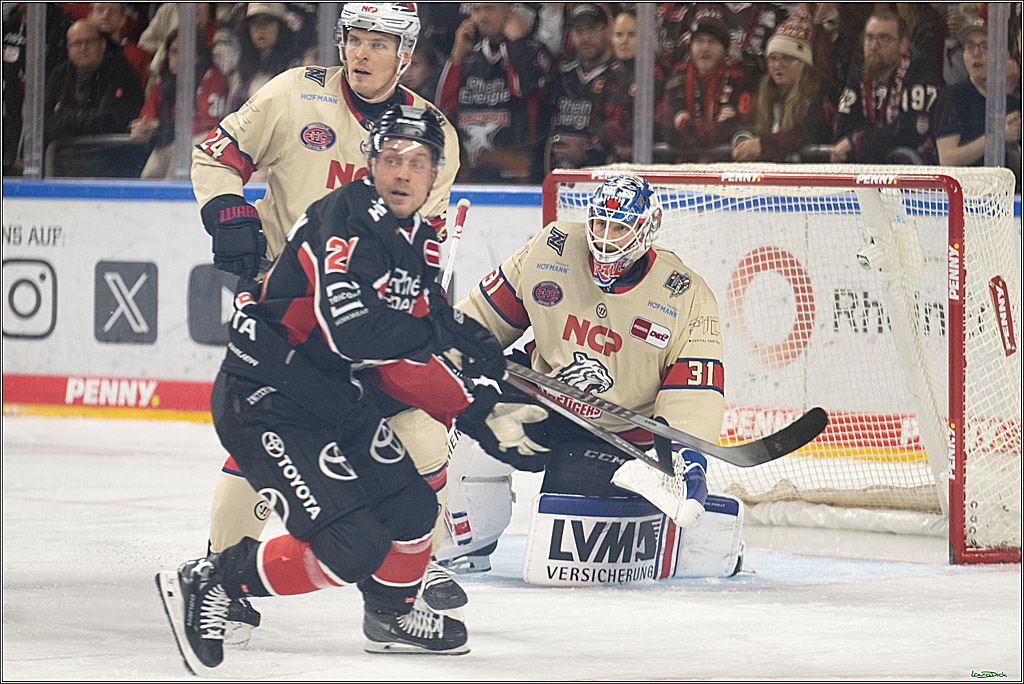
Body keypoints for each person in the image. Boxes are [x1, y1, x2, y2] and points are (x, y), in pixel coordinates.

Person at [157, 104, 544, 670]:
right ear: (371, 163)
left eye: (418, 162)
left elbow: (421, 331)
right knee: (353, 546)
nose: (404, 173)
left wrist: (480, 388)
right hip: (268, 398)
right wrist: (464, 384)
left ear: (436, 171)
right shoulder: (344, 219)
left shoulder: (409, 232)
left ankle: (389, 614)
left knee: (413, 511)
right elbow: (356, 333)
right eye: (391, 160)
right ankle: (216, 578)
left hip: (333, 398)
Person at [190, 2, 465, 645]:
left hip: (367, 322)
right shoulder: (293, 95)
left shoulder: (432, 132)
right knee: (263, 449)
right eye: (356, 40)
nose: (363, 54)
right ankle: (221, 581)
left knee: (422, 437)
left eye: (380, 43)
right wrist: (231, 211)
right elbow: (216, 155)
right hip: (290, 316)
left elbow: (422, 236)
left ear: (407, 52)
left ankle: (392, 605)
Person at [437, 175, 744, 584]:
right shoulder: (550, 249)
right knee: (472, 423)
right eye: (599, 223)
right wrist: (441, 338)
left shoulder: (684, 294)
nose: (604, 237)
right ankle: (468, 541)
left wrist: (684, 456)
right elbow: (483, 319)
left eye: (619, 227)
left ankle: (691, 540)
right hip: (547, 401)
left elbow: (694, 391)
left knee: (572, 556)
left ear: (645, 229)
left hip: (622, 433)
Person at [437, 2, 553, 184]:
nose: (482, 17)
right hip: (470, 175)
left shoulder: (533, 50)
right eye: (476, 10)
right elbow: (444, 108)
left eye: (490, 8)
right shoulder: (468, 55)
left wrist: (518, 43)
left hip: (519, 174)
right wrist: (456, 59)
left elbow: (526, 88)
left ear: (510, 10)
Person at [830, 7, 940, 164]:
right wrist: (867, 141)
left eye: (884, 38)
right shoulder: (859, 73)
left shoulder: (919, 72)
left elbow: (911, 131)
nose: (874, 46)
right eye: (869, 38)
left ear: (903, 45)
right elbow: (842, 129)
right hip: (868, 173)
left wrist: (858, 141)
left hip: (913, 177)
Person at [660, 4, 759, 162]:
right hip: (684, 169)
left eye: (712, 41)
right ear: (691, 46)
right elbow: (669, 133)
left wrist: (686, 124)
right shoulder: (678, 78)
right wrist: (717, 127)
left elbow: (742, 128)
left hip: (727, 168)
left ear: (724, 48)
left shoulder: (740, 79)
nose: (705, 48)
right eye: (699, 41)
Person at [732, 8, 833, 162]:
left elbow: (808, 134)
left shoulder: (817, 95)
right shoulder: (763, 96)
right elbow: (745, 126)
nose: (777, 65)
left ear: (803, 64)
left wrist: (764, 145)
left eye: (787, 59)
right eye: (772, 59)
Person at [43, 19, 145, 167]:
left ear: (102, 44)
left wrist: (63, 113)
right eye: (77, 43)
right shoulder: (60, 74)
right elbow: (43, 120)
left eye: (89, 42)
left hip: (110, 160)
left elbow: (106, 122)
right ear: (68, 49)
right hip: (63, 160)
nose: (83, 48)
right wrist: (82, 119)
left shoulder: (121, 72)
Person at [129, 29, 229, 179]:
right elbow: (148, 114)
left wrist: (160, 127)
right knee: (149, 172)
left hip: (205, 148)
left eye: (185, 52)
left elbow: (206, 126)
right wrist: (142, 127)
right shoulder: (164, 80)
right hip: (172, 140)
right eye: (174, 52)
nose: (178, 58)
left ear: (198, 55)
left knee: (180, 152)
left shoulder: (212, 77)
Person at [935, 17, 1023, 185]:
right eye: (969, 47)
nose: (976, 53)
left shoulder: (1010, 101)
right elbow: (947, 159)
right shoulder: (953, 97)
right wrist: (997, 136)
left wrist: (1012, 146)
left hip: (1008, 197)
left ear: (1004, 56)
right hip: (965, 196)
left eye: (986, 47)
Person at [545, 3, 616, 171]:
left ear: (608, 30)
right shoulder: (561, 76)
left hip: (604, 183)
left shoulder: (620, 76)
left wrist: (588, 154)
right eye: (578, 31)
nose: (585, 38)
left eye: (592, 29)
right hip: (558, 179)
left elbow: (627, 140)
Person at [230, 3, 299, 110]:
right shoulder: (240, 69)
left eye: (268, 21)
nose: (261, 29)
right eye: (255, 22)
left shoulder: (293, 70)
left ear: (281, 28)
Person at [87, 1, 152, 91]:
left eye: (113, 11)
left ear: (123, 19)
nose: (106, 15)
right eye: (100, 10)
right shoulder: (79, 51)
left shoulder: (139, 57)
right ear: (89, 16)